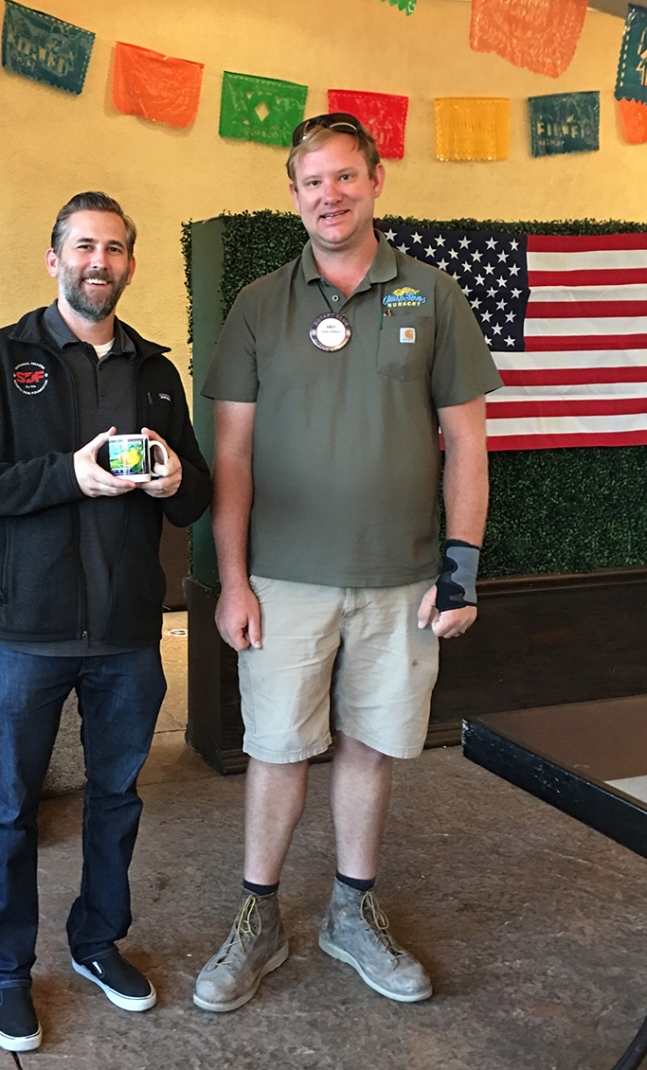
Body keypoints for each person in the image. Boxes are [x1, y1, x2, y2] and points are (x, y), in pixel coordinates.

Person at [193, 114, 503, 1013]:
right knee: (278, 748)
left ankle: (350, 914)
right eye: (311, 182)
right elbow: (235, 455)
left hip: (403, 579)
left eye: (343, 177)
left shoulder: (434, 297)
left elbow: (467, 446)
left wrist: (461, 568)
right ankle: (259, 917)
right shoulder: (258, 303)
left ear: (376, 181)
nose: (328, 196)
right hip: (284, 580)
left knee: (371, 747)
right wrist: (235, 579)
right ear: (293, 196)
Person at [0, 191, 210, 1052]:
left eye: (116, 248)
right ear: (54, 259)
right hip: (27, 636)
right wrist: (66, 475)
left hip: (129, 637)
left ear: (130, 263)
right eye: (84, 246)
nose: (101, 261)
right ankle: (8, 973)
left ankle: (95, 943)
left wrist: (170, 484)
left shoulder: (156, 372)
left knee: (116, 799)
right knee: (11, 810)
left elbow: (197, 492)